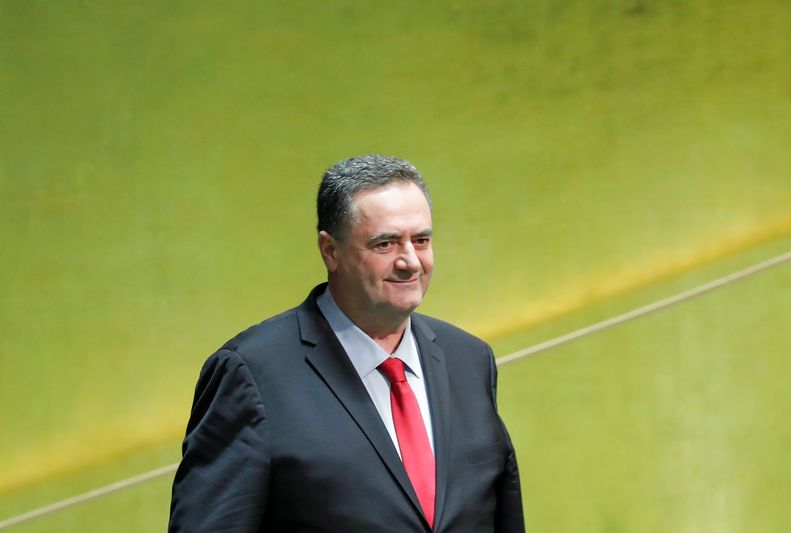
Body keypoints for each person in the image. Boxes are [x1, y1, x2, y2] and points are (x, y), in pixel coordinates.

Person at [168, 154, 525, 532]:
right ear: (330, 251)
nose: (410, 262)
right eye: (385, 244)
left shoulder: (468, 359)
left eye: (420, 240)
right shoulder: (252, 374)